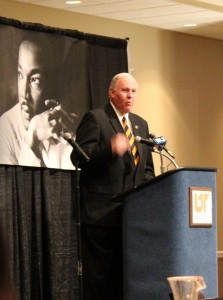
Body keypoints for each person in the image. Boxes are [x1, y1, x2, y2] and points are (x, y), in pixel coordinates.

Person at [71, 72, 155, 300]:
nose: (130, 96)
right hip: (101, 217)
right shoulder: (96, 118)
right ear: (112, 92)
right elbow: (79, 159)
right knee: (99, 282)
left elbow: (147, 169)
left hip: (131, 218)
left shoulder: (140, 124)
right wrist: (109, 149)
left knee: (124, 280)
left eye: (134, 91)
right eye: (125, 90)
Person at [0, 32, 77, 169]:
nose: (24, 93)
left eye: (34, 79)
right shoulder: (5, 129)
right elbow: (16, 188)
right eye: (20, 74)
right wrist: (32, 138)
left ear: (52, 83)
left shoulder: (70, 127)